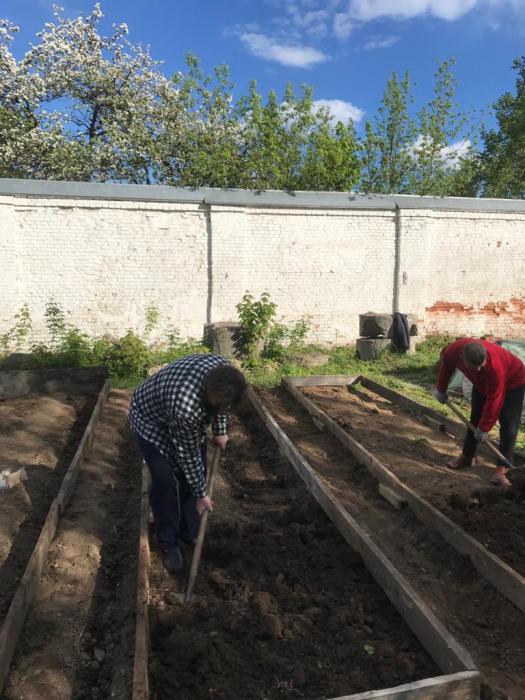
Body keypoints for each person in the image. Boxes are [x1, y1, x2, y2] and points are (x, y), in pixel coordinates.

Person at [129, 354, 247, 573]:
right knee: (164, 478)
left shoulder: (226, 374)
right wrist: (202, 494)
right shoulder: (186, 405)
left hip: (177, 411)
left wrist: (220, 431)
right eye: (217, 403)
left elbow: (222, 406)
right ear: (208, 391)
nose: (222, 408)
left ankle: (189, 531)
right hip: (151, 421)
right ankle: (168, 542)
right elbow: (188, 455)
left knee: (194, 475)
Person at [433, 338, 525, 487]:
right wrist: (441, 389)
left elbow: (494, 401)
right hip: (481, 383)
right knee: (475, 418)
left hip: (514, 381)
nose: (478, 369)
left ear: (485, 355)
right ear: (463, 358)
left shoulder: (495, 368)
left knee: (508, 423)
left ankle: (503, 468)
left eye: (481, 366)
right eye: (474, 367)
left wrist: (484, 428)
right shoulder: (453, 352)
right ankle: (467, 456)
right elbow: (447, 366)